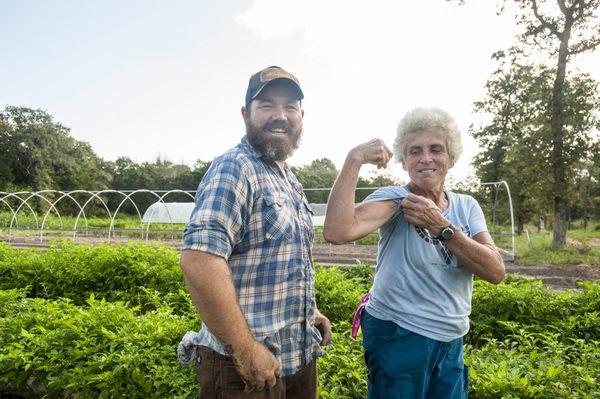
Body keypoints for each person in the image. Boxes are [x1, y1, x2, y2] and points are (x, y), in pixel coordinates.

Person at [323, 107, 505, 399]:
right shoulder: (396, 201)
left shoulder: (467, 206)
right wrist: (354, 159)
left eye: (436, 149)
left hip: (451, 337)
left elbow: (495, 271)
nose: (426, 158)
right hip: (399, 334)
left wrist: (443, 227)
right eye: (414, 151)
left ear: (451, 158)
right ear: (404, 161)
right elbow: (336, 231)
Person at [177, 66, 332, 399]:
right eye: (267, 105)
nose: (280, 115)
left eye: (290, 106)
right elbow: (200, 260)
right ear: (246, 113)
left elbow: (278, 258)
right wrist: (245, 350)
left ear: (301, 116)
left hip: (297, 360)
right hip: (246, 371)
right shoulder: (236, 167)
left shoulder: (288, 179)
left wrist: (309, 313)